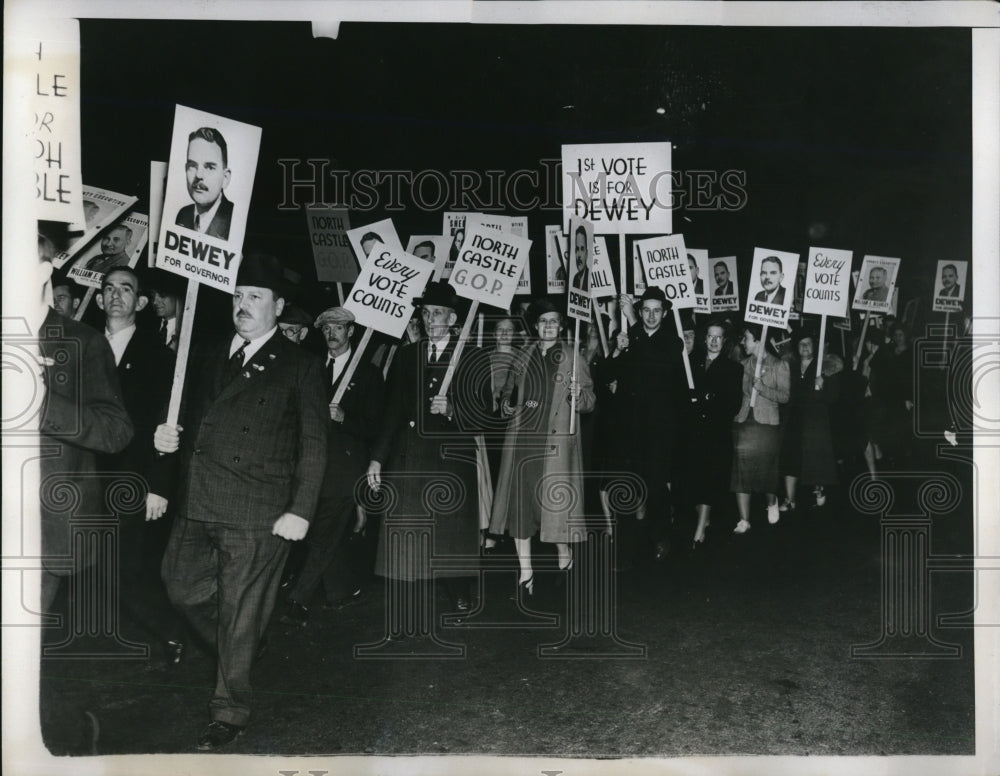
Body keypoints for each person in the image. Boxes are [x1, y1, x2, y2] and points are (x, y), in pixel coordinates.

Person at [153, 252, 328, 750]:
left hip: (259, 511)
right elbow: (186, 418)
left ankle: (229, 710)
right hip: (198, 499)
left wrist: (301, 510)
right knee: (180, 587)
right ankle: (244, 641)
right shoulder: (207, 351)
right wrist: (166, 438)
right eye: (238, 295)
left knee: (239, 609)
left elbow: (316, 445)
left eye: (255, 297)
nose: (243, 304)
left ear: (279, 305)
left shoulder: (300, 366)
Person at [367, 281, 484, 615]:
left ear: (452, 319)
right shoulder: (407, 355)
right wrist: (377, 459)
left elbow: (485, 416)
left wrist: (451, 409)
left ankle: (459, 589)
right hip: (410, 458)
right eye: (426, 312)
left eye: (438, 313)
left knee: (450, 531)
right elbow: (391, 413)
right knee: (407, 529)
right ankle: (407, 597)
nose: (430, 319)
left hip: (451, 460)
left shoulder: (472, 357)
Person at [35, 235, 134, 612]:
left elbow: (116, 430)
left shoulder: (83, 342)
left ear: (42, 272)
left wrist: (42, 404)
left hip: (44, 525)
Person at [94, 267, 184, 663]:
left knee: (125, 568)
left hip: (131, 475)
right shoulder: (82, 345)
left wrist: (159, 484)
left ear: (141, 302)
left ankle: (172, 632)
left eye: (126, 289)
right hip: (81, 477)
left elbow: (169, 420)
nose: (116, 295)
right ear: (98, 300)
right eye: (109, 288)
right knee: (88, 564)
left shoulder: (157, 356)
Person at [281, 307, 384, 627]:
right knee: (318, 531)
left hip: (344, 468)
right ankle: (342, 589)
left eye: (339, 327)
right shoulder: (311, 367)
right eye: (326, 328)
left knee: (324, 533)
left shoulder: (367, 374)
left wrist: (345, 419)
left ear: (351, 331)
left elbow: (376, 427)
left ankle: (298, 598)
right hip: (309, 465)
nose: (332, 333)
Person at [489, 300, 595, 596]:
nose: (548, 326)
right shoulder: (523, 355)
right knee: (520, 508)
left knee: (553, 508)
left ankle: (564, 554)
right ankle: (526, 574)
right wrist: (508, 404)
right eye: (542, 321)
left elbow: (590, 401)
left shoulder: (574, 357)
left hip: (555, 444)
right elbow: (508, 396)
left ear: (561, 325)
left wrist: (579, 396)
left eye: (553, 321)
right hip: (523, 441)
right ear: (535, 326)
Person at [609, 287, 686, 567]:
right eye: (645, 310)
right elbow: (607, 372)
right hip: (631, 426)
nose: (651, 315)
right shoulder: (630, 339)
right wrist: (617, 350)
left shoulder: (672, 343)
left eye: (656, 311)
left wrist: (630, 319)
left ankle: (661, 536)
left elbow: (655, 362)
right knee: (628, 484)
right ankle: (629, 543)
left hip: (659, 428)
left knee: (655, 485)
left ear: (664, 314)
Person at [687, 320, 743, 546]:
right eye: (710, 336)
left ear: (724, 341)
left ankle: (699, 531)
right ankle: (704, 518)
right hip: (692, 434)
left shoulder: (733, 369)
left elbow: (733, 405)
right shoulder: (691, 364)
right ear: (704, 339)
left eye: (718, 337)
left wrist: (706, 400)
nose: (713, 340)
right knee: (695, 480)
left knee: (709, 481)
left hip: (715, 435)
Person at [731, 324, 790, 533]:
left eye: (746, 338)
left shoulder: (779, 365)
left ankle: (772, 502)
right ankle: (744, 519)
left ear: (758, 340)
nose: (742, 342)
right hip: (744, 422)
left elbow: (784, 396)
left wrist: (762, 389)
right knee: (741, 470)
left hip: (766, 424)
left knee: (767, 470)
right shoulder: (743, 364)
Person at [778, 330, 839, 512]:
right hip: (793, 418)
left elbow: (834, 397)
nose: (804, 347)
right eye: (800, 344)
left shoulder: (824, 367)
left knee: (815, 457)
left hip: (815, 420)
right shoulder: (791, 366)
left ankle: (818, 490)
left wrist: (824, 384)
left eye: (808, 343)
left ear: (815, 347)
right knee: (790, 457)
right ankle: (790, 499)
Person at [175, 127, 234, 240]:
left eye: (210, 167)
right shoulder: (183, 214)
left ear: (225, 178)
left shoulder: (236, 222)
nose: (199, 175)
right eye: (192, 166)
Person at [148, 270, 185, 352]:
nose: (154, 302)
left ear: (178, 296)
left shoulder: (187, 331)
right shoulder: (147, 328)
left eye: (162, 295)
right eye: (152, 296)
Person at [571, 225, 590, 293]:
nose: (579, 255)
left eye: (582, 249)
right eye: (577, 249)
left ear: (587, 254)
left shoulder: (590, 277)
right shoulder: (575, 279)